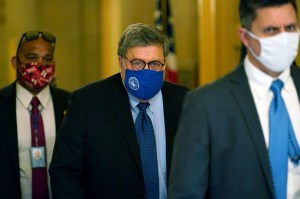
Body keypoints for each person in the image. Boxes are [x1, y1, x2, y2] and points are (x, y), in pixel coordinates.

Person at [169, 0, 300, 198]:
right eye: (271, 30)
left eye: (290, 27)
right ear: (245, 37)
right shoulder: (206, 106)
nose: (283, 38)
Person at [49, 23, 189, 199]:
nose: (146, 71)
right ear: (121, 62)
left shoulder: (186, 102)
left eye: (154, 64)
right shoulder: (87, 103)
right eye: (137, 63)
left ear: (164, 65)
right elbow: (64, 173)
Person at [0, 31, 70, 199]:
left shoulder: (71, 104)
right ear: (15, 62)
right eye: (32, 58)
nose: (39, 65)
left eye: (47, 59)